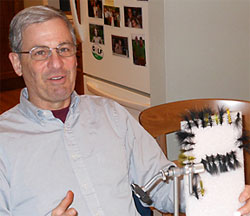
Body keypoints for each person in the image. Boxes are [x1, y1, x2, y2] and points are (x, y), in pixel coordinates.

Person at [1, 5, 250, 216]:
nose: (56, 63)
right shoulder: (5, 142)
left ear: (76, 57)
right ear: (17, 64)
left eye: (64, 49)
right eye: (40, 52)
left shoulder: (111, 114)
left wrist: (227, 195)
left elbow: (161, 185)